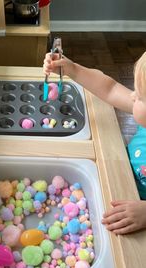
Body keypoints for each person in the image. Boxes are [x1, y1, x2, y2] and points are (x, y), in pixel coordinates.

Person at [43, 51, 146, 235]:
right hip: (120, 179)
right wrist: (72, 69)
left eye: (139, 97)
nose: (132, 96)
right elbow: (111, 89)